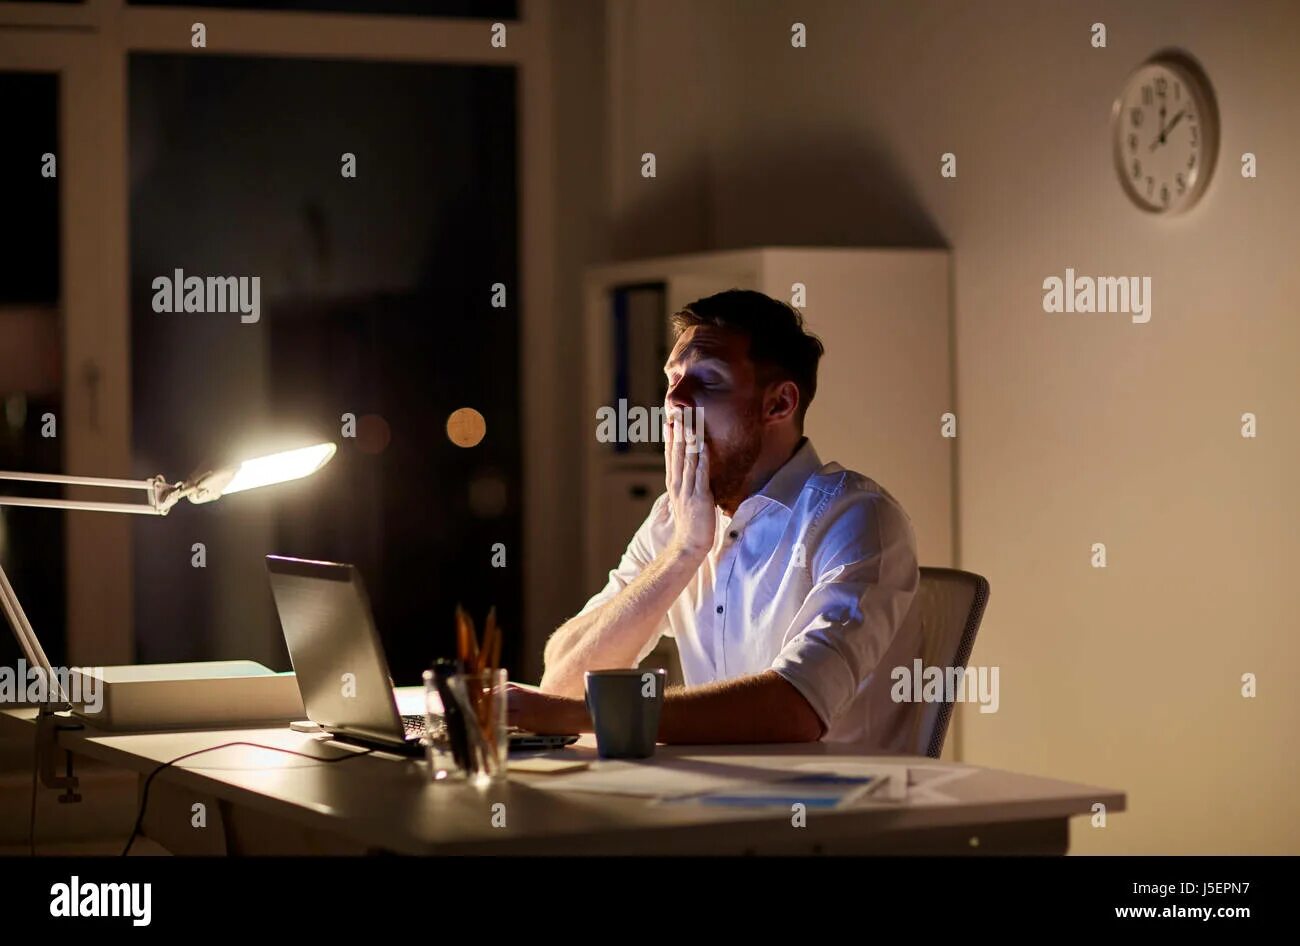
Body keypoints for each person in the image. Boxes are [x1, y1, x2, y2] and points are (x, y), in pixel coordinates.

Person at [507, 289, 920, 745]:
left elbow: (795, 708)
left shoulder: (855, 516)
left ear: (779, 404)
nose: (675, 402)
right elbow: (562, 680)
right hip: (715, 797)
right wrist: (683, 551)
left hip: (837, 806)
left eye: (708, 380)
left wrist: (578, 717)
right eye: (672, 380)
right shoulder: (679, 516)